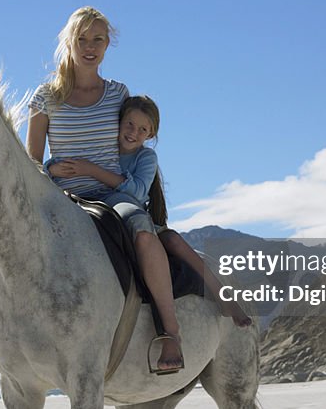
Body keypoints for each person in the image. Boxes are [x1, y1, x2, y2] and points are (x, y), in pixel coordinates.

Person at [26, 6, 184, 373]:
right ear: (69, 42)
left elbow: (134, 141)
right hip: (61, 198)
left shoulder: (117, 94)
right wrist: (50, 167)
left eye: (98, 39)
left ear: (108, 44)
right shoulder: (45, 97)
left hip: (113, 199)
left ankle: (170, 332)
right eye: (82, 39)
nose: (90, 46)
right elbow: (31, 160)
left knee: (143, 231)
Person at [52, 95, 253, 328]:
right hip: (98, 210)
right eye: (129, 124)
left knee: (174, 241)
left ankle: (221, 295)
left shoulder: (146, 156)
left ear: (151, 135)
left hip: (132, 215)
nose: (133, 132)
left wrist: (93, 171)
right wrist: (51, 167)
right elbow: (61, 164)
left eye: (142, 129)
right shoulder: (103, 148)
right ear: (119, 121)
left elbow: (136, 192)